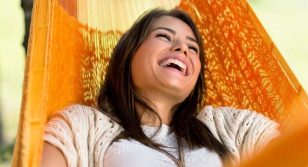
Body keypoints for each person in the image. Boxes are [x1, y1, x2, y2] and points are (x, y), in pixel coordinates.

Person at [41, 8, 279, 167]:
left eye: (193, 49)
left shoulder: (230, 127)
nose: (182, 49)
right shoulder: (82, 126)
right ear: (129, 53)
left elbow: (302, 151)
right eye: (165, 37)